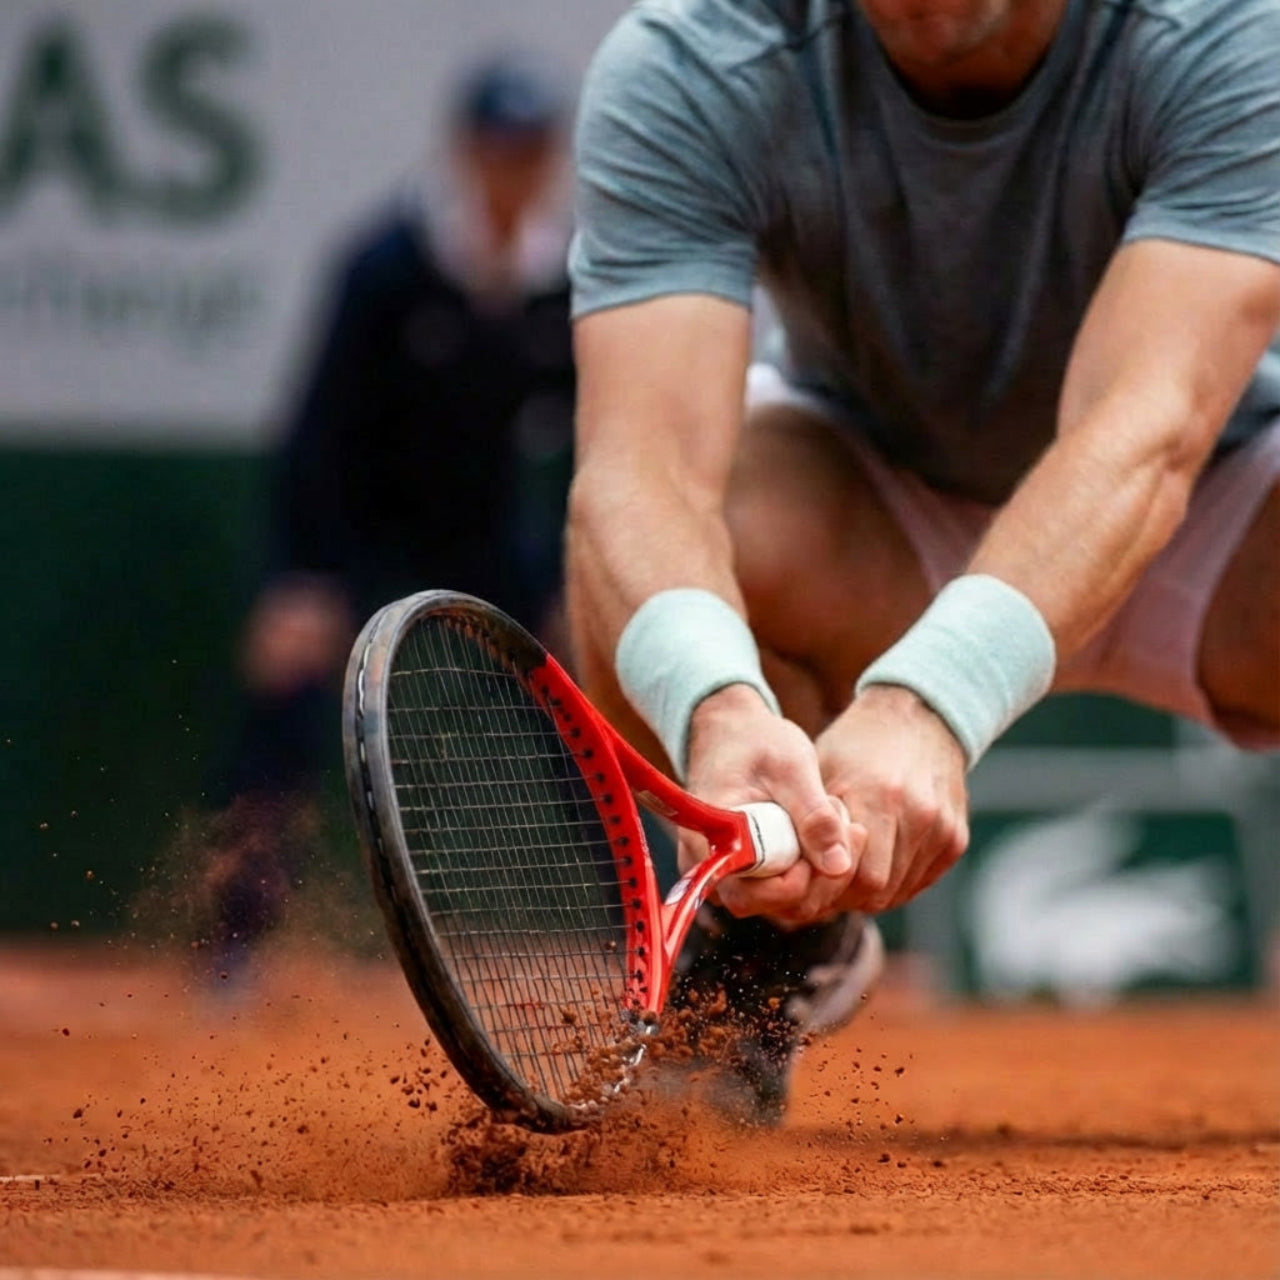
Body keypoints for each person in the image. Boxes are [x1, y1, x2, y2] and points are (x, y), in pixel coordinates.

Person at [566, 0, 1280, 1120]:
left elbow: (1148, 428)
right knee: (671, 570)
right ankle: (770, 937)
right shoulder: (692, 58)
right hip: (870, 511)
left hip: (1216, 521)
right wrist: (716, 704)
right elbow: (636, 473)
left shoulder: (1221, 31)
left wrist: (928, 699)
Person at [201, 56, 578, 980]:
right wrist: (300, 579)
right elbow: (316, 431)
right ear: (463, 152)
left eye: (528, 150)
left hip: (486, 534)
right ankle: (235, 944)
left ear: (552, 159)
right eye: (495, 147)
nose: (510, 167)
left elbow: (596, 440)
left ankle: (657, 940)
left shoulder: (563, 281)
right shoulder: (384, 267)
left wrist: (575, 586)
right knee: (286, 697)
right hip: (356, 532)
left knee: (596, 700)